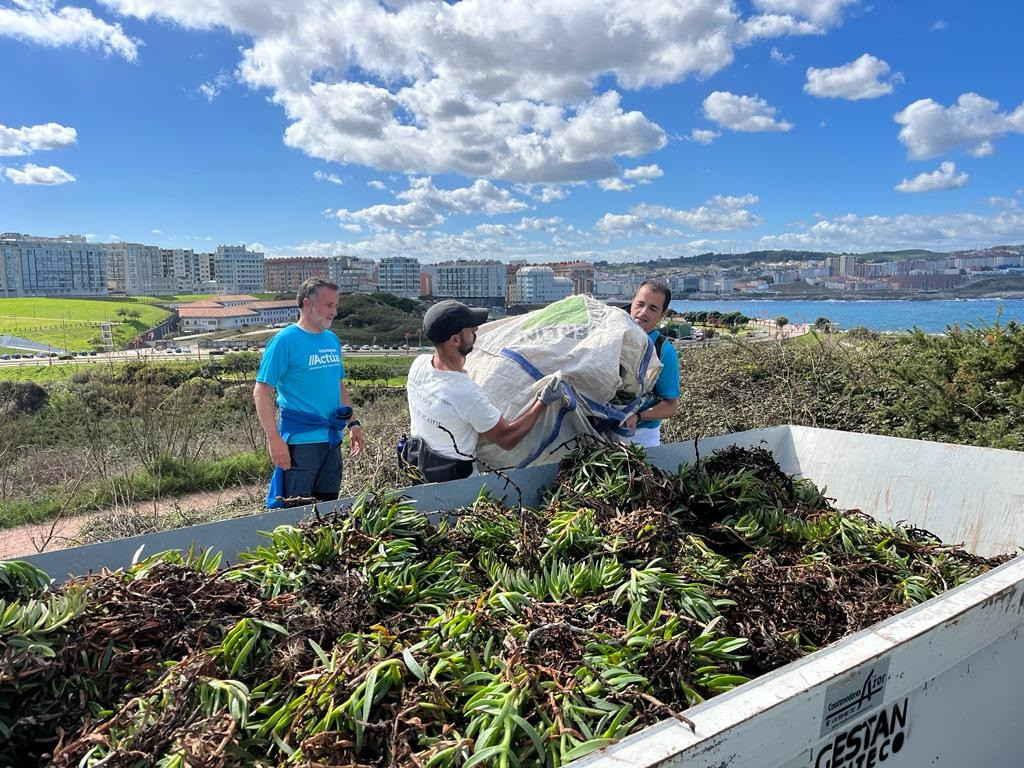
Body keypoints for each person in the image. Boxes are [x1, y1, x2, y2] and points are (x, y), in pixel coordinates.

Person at [403, 299, 564, 483]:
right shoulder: (464, 393)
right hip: (456, 485)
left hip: (419, 471)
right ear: (455, 340)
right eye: (470, 329)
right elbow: (507, 439)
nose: (477, 330)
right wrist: (542, 401)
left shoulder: (419, 364)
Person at [253, 277, 363, 506]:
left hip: (332, 440)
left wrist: (353, 423)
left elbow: (338, 385)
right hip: (301, 444)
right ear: (307, 304)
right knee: (297, 512)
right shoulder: (284, 341)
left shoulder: (331, 340)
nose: (334, 312)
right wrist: (274, 440)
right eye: (329, 305)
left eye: (335, 305)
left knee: (327, 508)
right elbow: (261, 392)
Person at [624, 279, 680, 448]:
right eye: (640, 304)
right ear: (632, 302)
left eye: (653, 308)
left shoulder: (663, 350)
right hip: (596, 431)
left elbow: (670, 406)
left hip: (641, 437)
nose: (643, 312)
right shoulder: (610, 335)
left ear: (662, 314)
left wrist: (638, 416)